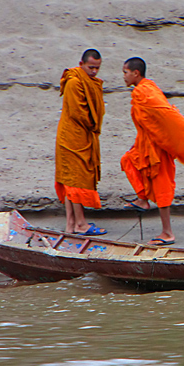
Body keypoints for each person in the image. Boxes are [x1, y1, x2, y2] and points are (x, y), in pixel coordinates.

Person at [120, 57, 184, 245]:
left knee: (162, 186)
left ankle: (167, 233)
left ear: (135, 73)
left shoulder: (145, 91)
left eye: (125, 72)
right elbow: (146, 123)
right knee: (127, 160)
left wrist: (175, 140)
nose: (123, 76)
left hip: (158, 148)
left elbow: (165, 115)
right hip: (145, 144)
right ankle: (142, 199)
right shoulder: (145, 89)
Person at [55, 49, 107, 236]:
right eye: (90, 67)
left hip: (82, 135)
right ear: (81, 64)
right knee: (74, 180)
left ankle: (71, 224)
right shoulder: (74, 82)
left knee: (71, 180)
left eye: (97, 68)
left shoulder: (90, 82)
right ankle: (81, 224)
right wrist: (93, 124)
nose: (94, 72)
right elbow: (79, 113)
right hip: (72, 137)